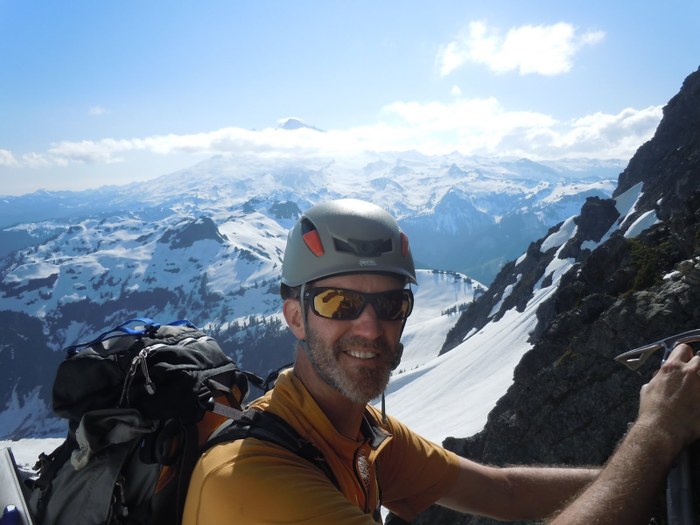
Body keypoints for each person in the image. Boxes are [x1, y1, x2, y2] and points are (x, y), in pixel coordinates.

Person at [183, 198, 700, 524]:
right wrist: (654, 436)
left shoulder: (359, 432)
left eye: (391, 304)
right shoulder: (250, 483)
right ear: (295, 317)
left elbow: (504, 491)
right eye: (338, 303)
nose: (370, 327)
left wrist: (647, 476)